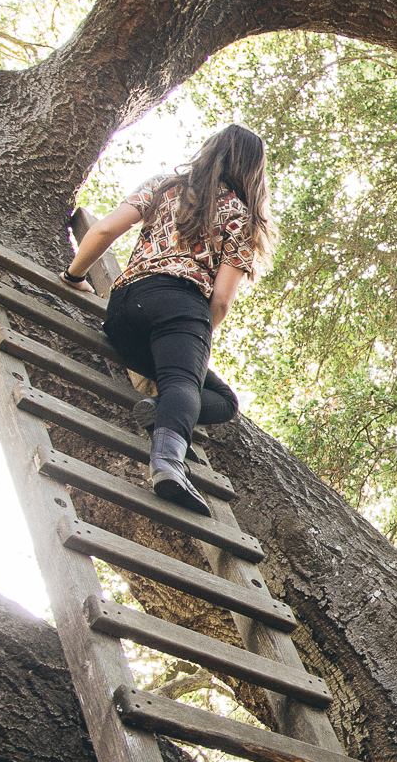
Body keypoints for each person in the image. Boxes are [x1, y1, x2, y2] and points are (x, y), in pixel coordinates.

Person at [61, 125, 273, 516]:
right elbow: (222, 300)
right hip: (182, 305)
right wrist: (194, 341)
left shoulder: (163, 185)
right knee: (184, 383)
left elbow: (106, 229)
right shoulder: (241, 217)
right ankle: (168, 466)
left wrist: (74, 276)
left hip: (124, 312)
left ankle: (161, 411)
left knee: (223, 399)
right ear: (252, 171)